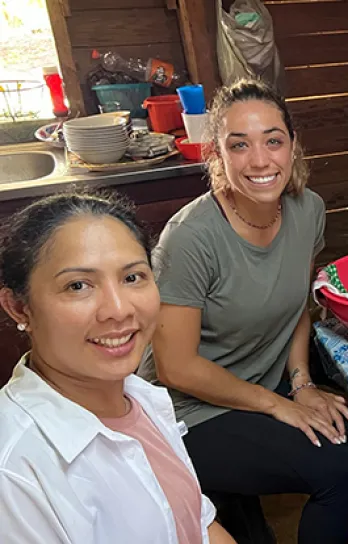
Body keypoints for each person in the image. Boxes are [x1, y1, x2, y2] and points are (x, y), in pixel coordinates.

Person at [138, 79, 348, 544]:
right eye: (239, 145)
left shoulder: (307, 210)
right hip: (192, 411)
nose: (259, 161)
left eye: (272, 141)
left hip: (267, 378)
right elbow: (175, 368)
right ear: (216, 154)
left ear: (293, 146)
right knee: (335, 471)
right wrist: (279, 405)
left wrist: (301, 383)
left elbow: (297, 302)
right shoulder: (191, 239)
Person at [0, 191, 234, 543]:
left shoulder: (141, 398)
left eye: (132, 278)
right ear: (19, 308)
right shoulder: (16, 470)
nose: (118, 309)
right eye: (78, 285)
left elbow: (197, 522)